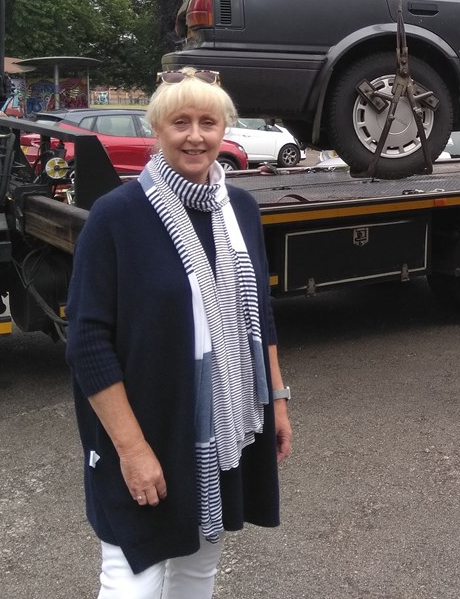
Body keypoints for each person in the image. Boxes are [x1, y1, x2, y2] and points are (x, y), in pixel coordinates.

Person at [66, 67, 293, 598]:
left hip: (224, 426)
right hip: (148, 428)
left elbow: (261, 311)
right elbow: (87, 342)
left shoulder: (240, 210)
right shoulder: (116, 215)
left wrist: (276, 400)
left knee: (197, 569)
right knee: (133, 580)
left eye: (208, 123)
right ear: (158, 130)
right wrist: (133, 450)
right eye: (180, 123)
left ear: (224, 131)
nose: (195, 136)